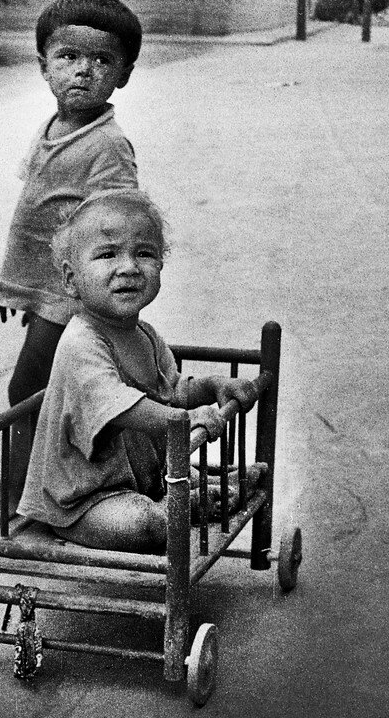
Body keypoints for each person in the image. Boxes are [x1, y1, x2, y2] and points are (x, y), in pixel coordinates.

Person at [18, 188, 259, 551]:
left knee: (172, 487)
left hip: (138, 479)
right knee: (146, 524)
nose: (129, 267)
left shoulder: (144, 335)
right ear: (71, 279)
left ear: (160, 265)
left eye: (144, 253)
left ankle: (205, 491)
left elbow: (172, 390)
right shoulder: (81, 343)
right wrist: (186, 419)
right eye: (107, 254)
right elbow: (120, 407)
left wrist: (212, 386)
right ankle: (192, 502)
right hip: (84, 497)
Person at [0, 0, 143, 526]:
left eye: (102, 60)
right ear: (43, 66)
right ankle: (45, 482)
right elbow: (31, 216)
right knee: (48, 390)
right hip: (47, 290)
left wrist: (100, 292)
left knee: (28, 388)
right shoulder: (52, 128)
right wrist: (12, 286)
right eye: (69, 57)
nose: (83, 71)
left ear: (123, 74)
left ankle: (19, 489)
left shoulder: (108, 146)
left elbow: (118, 223)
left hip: (73, 294)